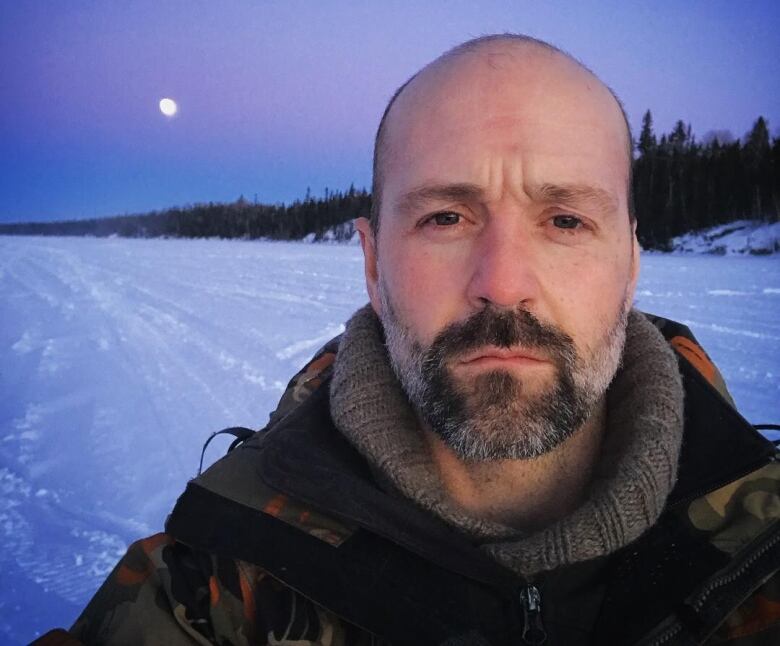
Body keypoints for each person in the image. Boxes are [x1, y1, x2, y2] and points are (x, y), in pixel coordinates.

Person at [42, 34, 779, 646]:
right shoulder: (218, 577)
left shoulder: (761, 548)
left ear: (629, 265)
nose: (503, 281)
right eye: (446, 219)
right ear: (370, 263)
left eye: (565, 221)